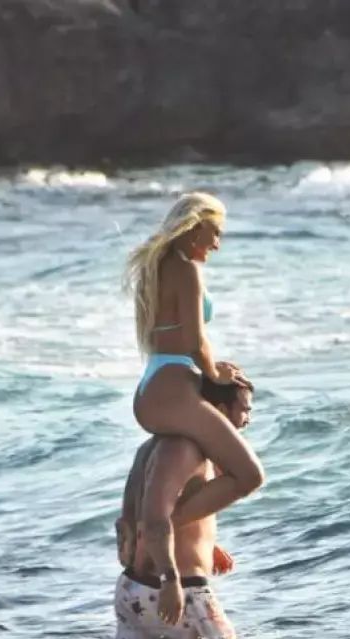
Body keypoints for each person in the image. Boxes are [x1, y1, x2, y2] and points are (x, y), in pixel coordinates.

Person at [124, 191, 265, 532]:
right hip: (173, 387)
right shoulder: (186, 270)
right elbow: (193, 341)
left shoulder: (155, 267)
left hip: (156, 382)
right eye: (215, 233)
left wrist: (214, 368)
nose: (217, 244)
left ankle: (148, 530)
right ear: (195, 227)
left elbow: (174, 337)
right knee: (249, 475)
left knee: (204, 463)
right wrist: (214, 373)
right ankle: (159, 530)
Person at [110, 378, 254, 639]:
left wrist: (203, 545)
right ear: (219, 410)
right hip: (177, 592)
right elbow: (155, 520)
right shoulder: (186, 449)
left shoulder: (151, 447)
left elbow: (131, 519)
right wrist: (170, 579)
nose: (248, 419)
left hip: (135, 589)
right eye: (245, 410)